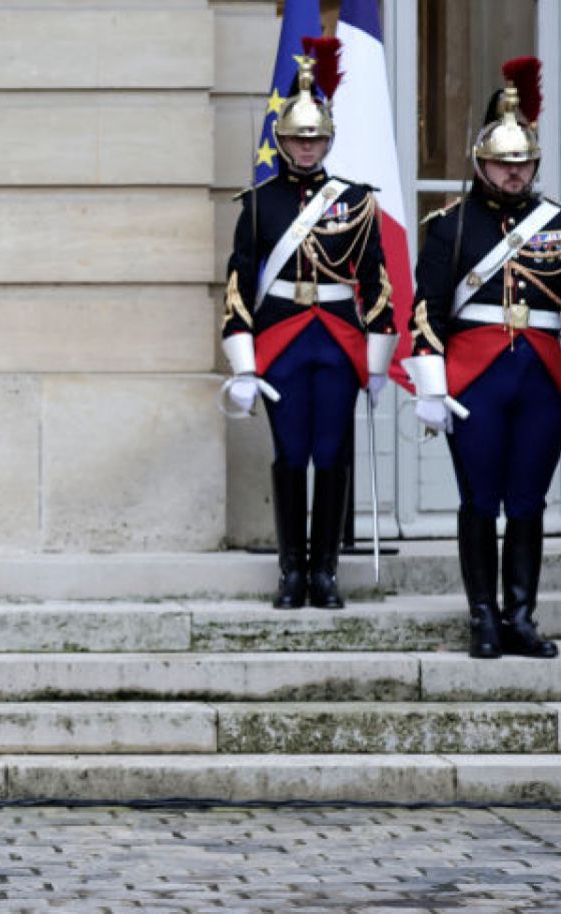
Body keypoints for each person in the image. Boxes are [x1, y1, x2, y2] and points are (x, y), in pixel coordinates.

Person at [220, 38, 394, 611]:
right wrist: (243, 366)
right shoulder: (259, 204)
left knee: (333, 454)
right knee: (292, 454)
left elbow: (377, 285)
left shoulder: (356, 203)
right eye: (297, 137)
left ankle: (327, 573)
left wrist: (376, 363)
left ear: (328, 140)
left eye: (315, 137)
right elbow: (239, 290)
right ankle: (291, 572)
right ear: (281, 140)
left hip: (339, 340)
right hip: (281, 342)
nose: (306, 146)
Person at [405, 57, 560, 660]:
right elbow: (426, 313)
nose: (513, 173)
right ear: (481, 163)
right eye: (503, 163)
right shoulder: (450, 227)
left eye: (522, 164)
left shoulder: (555, 227)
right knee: (481, 501)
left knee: (528, 500)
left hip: (543, 379)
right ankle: (484, 618)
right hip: (475, 380)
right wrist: (431, 387)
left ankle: (521, 616)